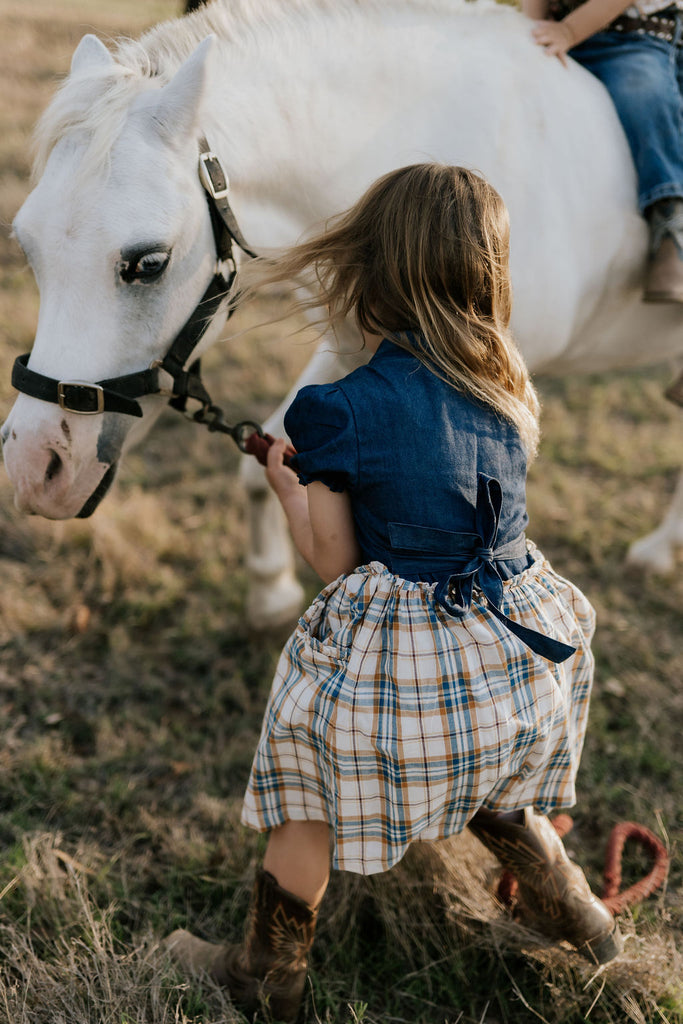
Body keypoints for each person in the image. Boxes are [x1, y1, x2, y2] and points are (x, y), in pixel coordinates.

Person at [166, 164, 623, 1021]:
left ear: (369, 275)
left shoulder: (332, 410)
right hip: (517, 671)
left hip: (407, 691)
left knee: (304, 785)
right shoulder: (507, 389)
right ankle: (580, 916)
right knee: (497, 790)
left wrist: (286, 485)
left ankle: (265, 977)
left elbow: (334, 561)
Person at [521, 0, 683, 404]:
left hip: (636, 38)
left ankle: (671, 217)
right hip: (564, 33)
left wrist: (569, 32)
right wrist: (529, 29)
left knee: (644, 93)